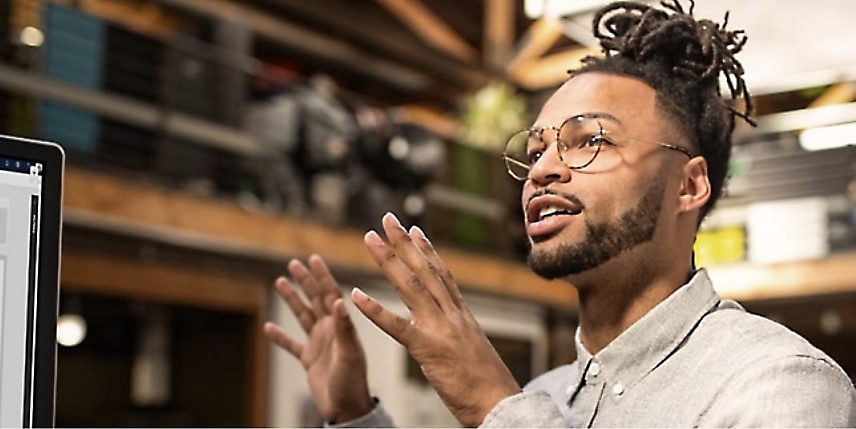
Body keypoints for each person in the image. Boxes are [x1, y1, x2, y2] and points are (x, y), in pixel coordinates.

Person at [263, 0, 856, 427]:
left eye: (588, 140)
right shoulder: (548, 394)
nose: (543, 168)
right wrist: (354, 415)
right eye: (538, 147)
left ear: (688, 185)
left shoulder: (780, 384)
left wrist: (497, 407)